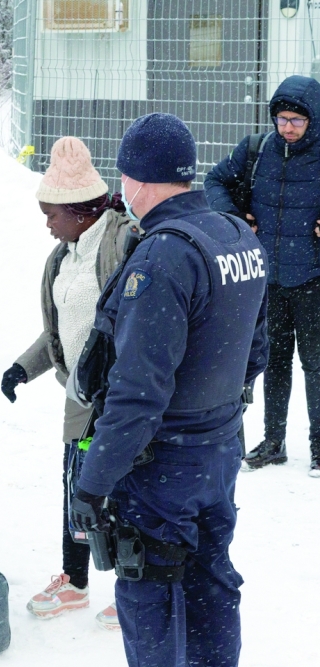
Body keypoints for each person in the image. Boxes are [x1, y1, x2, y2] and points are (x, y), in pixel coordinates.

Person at [69, 113, 268, 667]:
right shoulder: (234, 235)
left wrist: (93, 482)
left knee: (151, 590)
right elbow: (256, 349)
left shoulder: (163, 256)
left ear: (137, 180)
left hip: (162, 466)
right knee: (211, 584)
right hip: (218, 452)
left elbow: (137, 393)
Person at [0, 136, 136, 629]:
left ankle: (131, 589)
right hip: (81, 399)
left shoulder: (123, 244)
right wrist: (23, 367)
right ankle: (75, 581)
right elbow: (61, 329)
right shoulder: (65, 254)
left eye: (51, 213)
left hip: (121, 396)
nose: (46, 223)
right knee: (76, 488)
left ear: (79, 211)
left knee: (121, 489)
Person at [204, 74, 320, 477]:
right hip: (268, 280)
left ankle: (319, 447)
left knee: (317, 364)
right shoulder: (256, 151)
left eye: (297, 121)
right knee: (274, 362)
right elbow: (214, 180)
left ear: (314, 121)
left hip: (312, 278)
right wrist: (234, 217)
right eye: (282, 118)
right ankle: (273, 443)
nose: (287, 127)